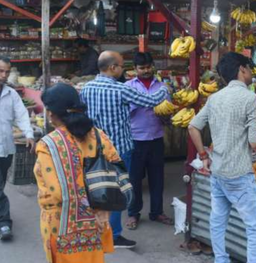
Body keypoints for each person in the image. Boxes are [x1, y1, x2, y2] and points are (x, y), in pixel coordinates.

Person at [80, 51, 169, 248]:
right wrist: (165, 89)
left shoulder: (86, 88)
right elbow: (152, 101)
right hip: (119, 150)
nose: (123, 69)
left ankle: (99, 231)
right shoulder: (120, 90)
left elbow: (82, 114)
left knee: (99, 191)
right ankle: (114, 235)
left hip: (95, 149)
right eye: (121, 66)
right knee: (118, 193)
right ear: (112, 68)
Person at [188, 52, 256, 263]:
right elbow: (254, 142)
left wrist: (204, 155)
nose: (251, 72)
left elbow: (193, 127)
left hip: (218, 171)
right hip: (239, 173)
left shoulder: (215, 98)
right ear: (242, 69)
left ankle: (221, 260)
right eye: (249, 68)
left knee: (218, 221)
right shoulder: (251, 99)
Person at [34, 83, 116, 263]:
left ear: (53, 113)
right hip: (97, 218)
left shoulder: (48, 144)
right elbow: (116, 167)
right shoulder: (98, 135)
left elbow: (58, 192)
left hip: (61, 224)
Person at [124, 52, 173, 230]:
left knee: (157, 178)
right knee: (134, 180)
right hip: (135, 139)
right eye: (141, 68)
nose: (145, 71)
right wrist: (142, 103)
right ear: (134, 69)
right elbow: (123, 113)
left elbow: (167, 113)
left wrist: (168, 117)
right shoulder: (127, 87)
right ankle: (133, 214)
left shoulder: (163, 87)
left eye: (148, 67)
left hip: (156, 138)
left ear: (153, 66)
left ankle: (157, 212)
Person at [0, 56, 35, 241]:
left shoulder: (11, 94)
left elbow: (21, 114)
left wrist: (28, 134)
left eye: (7, 71)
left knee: (1, 183)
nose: (4, 75)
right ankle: (4, 223)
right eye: (0, 71)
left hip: (5, 149)